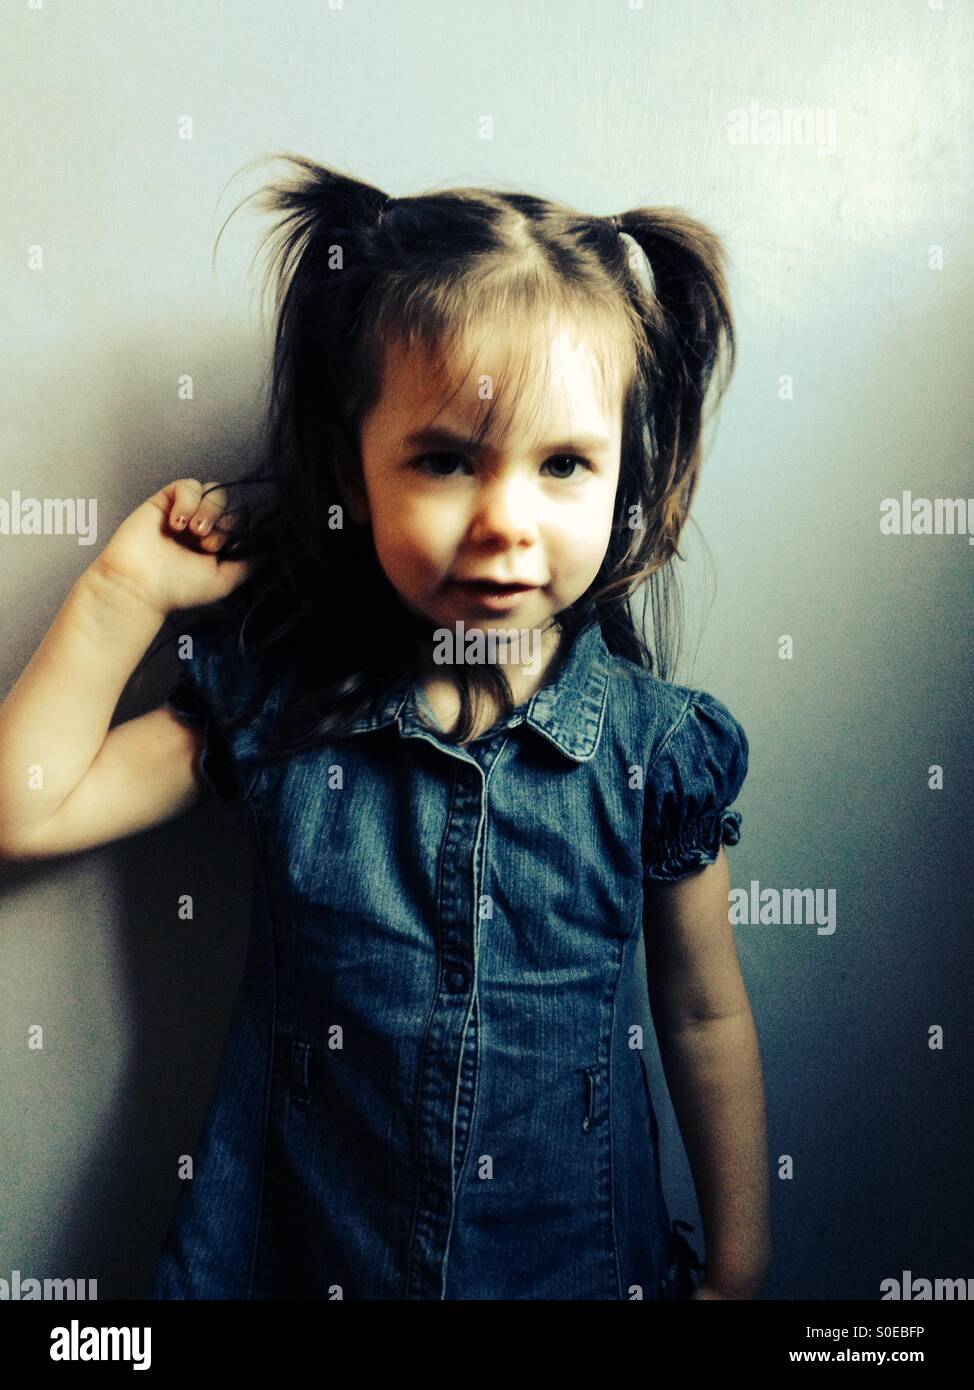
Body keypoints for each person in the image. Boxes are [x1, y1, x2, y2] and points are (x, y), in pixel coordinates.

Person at [0, 156, 771, 1301]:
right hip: (294, 1260)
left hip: (569, 1268)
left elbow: (703, 1013)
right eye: (446, 461)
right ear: (354, 474)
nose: (505, 520)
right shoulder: (278, 706)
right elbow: (27, 806)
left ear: (623, 481)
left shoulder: (658, 753)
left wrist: (740, 1267)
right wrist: (127, 594)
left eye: (563, 464)